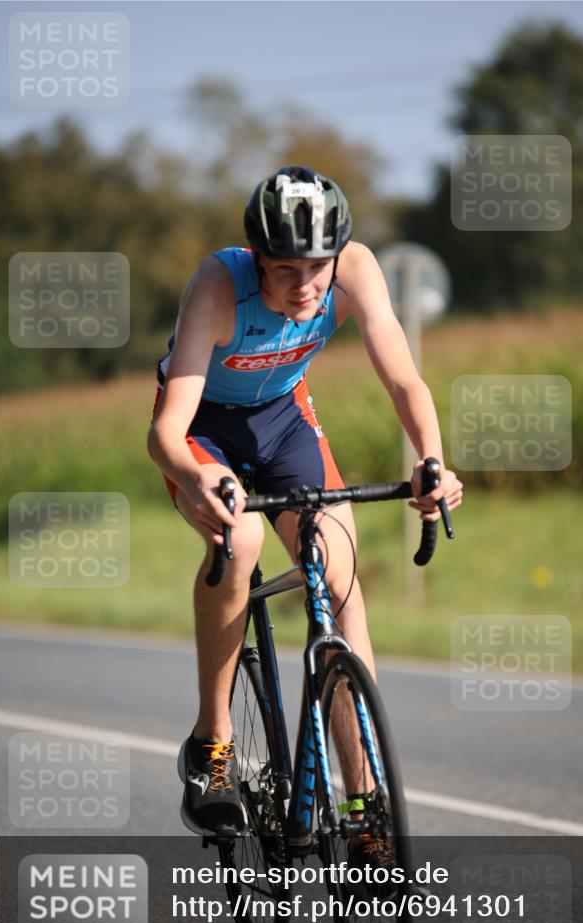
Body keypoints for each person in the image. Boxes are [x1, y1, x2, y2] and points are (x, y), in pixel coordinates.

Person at [148, 166, 463, 839]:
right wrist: (197, 479)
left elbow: (404, 380)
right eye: (286, 269)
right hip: (204, 429)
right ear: (257, 259)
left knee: (341, 587)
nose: (306, 285)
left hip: (285, 420)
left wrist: (430, 462)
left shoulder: (355, 268)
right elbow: (164, 433)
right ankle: (212, 746)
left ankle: (364, 811)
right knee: (243, 543)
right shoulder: (216, 286)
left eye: (316, 266)